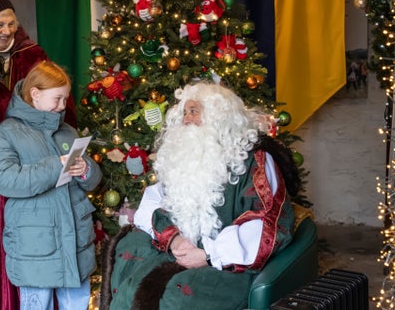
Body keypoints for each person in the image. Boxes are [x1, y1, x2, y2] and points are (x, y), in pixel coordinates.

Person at [102, 81, 300, 310]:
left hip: (226, 261)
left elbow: (267, 224)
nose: (186, 119)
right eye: (184, 112)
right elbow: (154, 201)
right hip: (177, 248)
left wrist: (208, 254)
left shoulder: (255, 161)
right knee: (129, 256)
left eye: (194, 111)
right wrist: (174, 239)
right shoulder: (184, 156)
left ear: (219, 117)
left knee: (176, 298)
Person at [0, 0, 78, 310]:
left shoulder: (33, 56)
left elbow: (62, 110)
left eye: (11, 22)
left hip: (36, 162)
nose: (7, 30)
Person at [0, 60, 102, 310]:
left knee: (78, 304)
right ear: (35, 94)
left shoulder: (67, 131)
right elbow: (5, 180)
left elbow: (93, 181)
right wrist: (54, 166)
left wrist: (86, 170)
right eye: (57, 99)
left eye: (65, 99)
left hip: (75, 245)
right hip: (36, 247)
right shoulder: (6, 133)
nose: (62, 106)